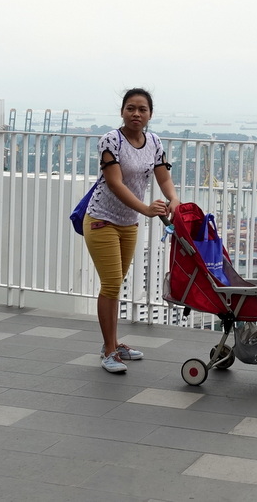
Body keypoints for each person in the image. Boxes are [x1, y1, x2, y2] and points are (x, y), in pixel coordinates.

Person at [84, 88, 179, 373]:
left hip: (128, 223)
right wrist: (146, 209)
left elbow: (163, 177)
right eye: (131, 108)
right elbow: (114, 183)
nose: (136, 114)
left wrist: (173, 199)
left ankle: (113, 343)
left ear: (150, 114)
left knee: (116, 284)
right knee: (112, 284)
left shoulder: (154, 142)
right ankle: (109, 351)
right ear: (122, 111)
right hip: (101, 220)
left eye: (142, 109)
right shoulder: (111, 140)